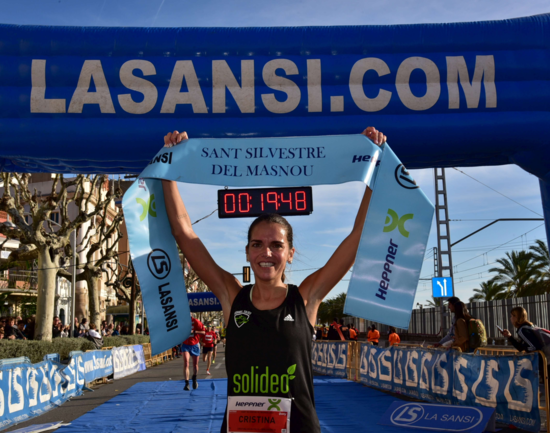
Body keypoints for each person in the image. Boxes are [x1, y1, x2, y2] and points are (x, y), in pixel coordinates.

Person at [162, 127, 386, 433]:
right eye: (257, 244)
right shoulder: (232, 295)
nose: (266, 253)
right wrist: (168, 170)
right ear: (247, 251)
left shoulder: (306, 297)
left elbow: (358, 238)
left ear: (291, 253)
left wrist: (374, 167)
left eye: (276, 245)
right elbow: (183, 233)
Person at [502, 307, 550, 432]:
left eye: (512, 316)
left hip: (540, 361)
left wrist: (526, 351)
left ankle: (521, 420)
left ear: (517, 317)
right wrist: (510, 337)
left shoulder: (522, 330)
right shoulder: (530, 326)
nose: (511, 318)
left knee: (521, 387)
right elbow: (524, 346)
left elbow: (534, 346)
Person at [181, 315, 206, 390]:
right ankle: (187, 383)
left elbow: (203, 332)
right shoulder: (182, 322)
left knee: (195, 365)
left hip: (195, 345)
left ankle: (194, 379)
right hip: (185, 345)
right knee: (186, 363)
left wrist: (194, 331)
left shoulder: (196, 322)